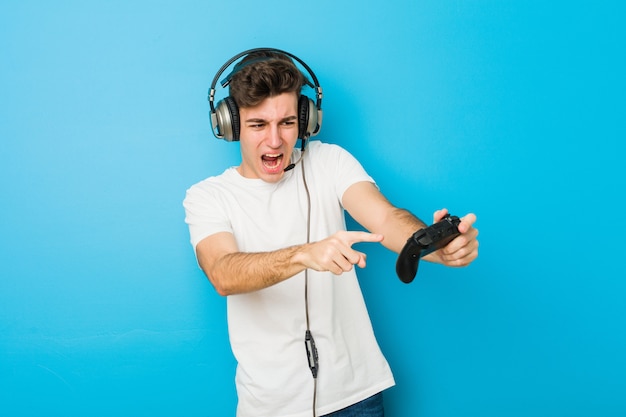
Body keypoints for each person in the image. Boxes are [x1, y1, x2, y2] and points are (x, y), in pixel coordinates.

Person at [183, 48, 479, 417]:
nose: (274, 141)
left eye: (288, 122)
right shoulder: (208, 196)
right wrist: (304, 254)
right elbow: (223, 272)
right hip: (271, 406)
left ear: (306, 121)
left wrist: (434, 246)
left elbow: (386, 219)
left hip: (356, 394)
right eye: (258, 125)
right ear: (231, 125)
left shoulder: (329, 162)